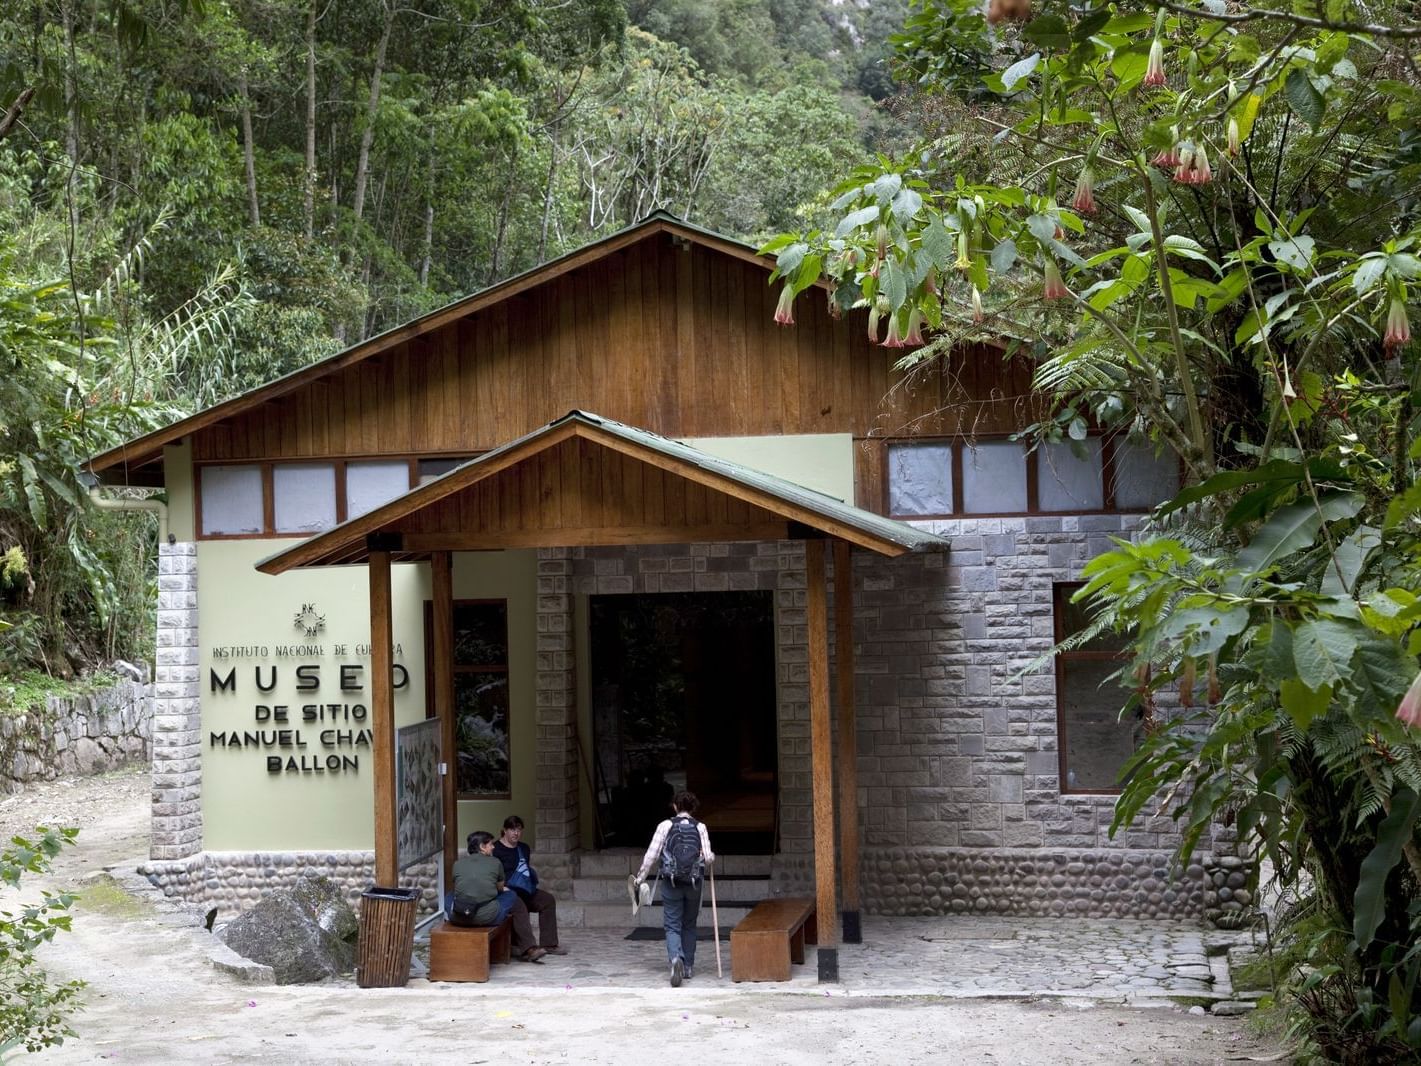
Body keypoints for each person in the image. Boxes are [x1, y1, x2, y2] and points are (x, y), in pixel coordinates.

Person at [633, 790, 714, 987]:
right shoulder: (700, 827)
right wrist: (709, 856)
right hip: (694, 883)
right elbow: (708, 858)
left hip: (671, 881)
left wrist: (639, 878)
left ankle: (676, 958)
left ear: (675, 806)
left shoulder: (665, 825)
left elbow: (651, 855)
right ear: (693, 807)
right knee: (689, 924)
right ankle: (688, 968)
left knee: (672, 924)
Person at [451, 830, 545, 961]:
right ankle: (529, 948)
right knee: (513, 897)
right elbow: (500, 888)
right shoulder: (495, 862)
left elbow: (460, 885)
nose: (493, 846)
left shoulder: (457, 863)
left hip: (459, 915)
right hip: (486, 916)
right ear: (482, 847)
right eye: (490, 844)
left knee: (450, 896)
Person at [491, 815, 565, 956]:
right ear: (504, 831)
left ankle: (549, 944)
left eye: (519, 829)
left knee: (547, 900)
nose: (516, 833)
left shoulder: (524, 848)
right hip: (506, 892)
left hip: (524, 890)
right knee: (520, 907)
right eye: (512, 829)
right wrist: (501, 887)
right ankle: (529, 948)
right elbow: (492, 875)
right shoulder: (496, 850)